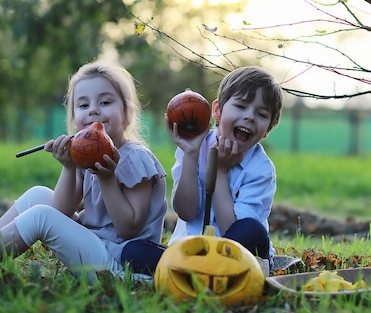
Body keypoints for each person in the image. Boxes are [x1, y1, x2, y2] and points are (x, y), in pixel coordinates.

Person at [0, 61, 167, 279]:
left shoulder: (136, 158)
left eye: (105, 102)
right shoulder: (88, 156)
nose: (93, 111)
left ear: (127, 114)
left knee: (41, 216)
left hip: (119, 262)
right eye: (83, 105)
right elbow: (62, 209)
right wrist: (69, 168)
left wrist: (106, 179)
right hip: (96, 244)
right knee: (38, 195)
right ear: (74, 119)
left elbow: (129, 229)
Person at [121, 66, 283, 276]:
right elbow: (186, 212)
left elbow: (231, 232)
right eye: (241, 106)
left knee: (252, 230)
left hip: (237, 255)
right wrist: (190, 153)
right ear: (217, 110)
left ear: (268, 128)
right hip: (190, 251)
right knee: (132, 251)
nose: (250, 117)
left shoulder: (261, 169)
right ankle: (200, 271)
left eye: (261, 114)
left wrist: (220, 172)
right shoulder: (195, 144)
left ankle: (192, 273)